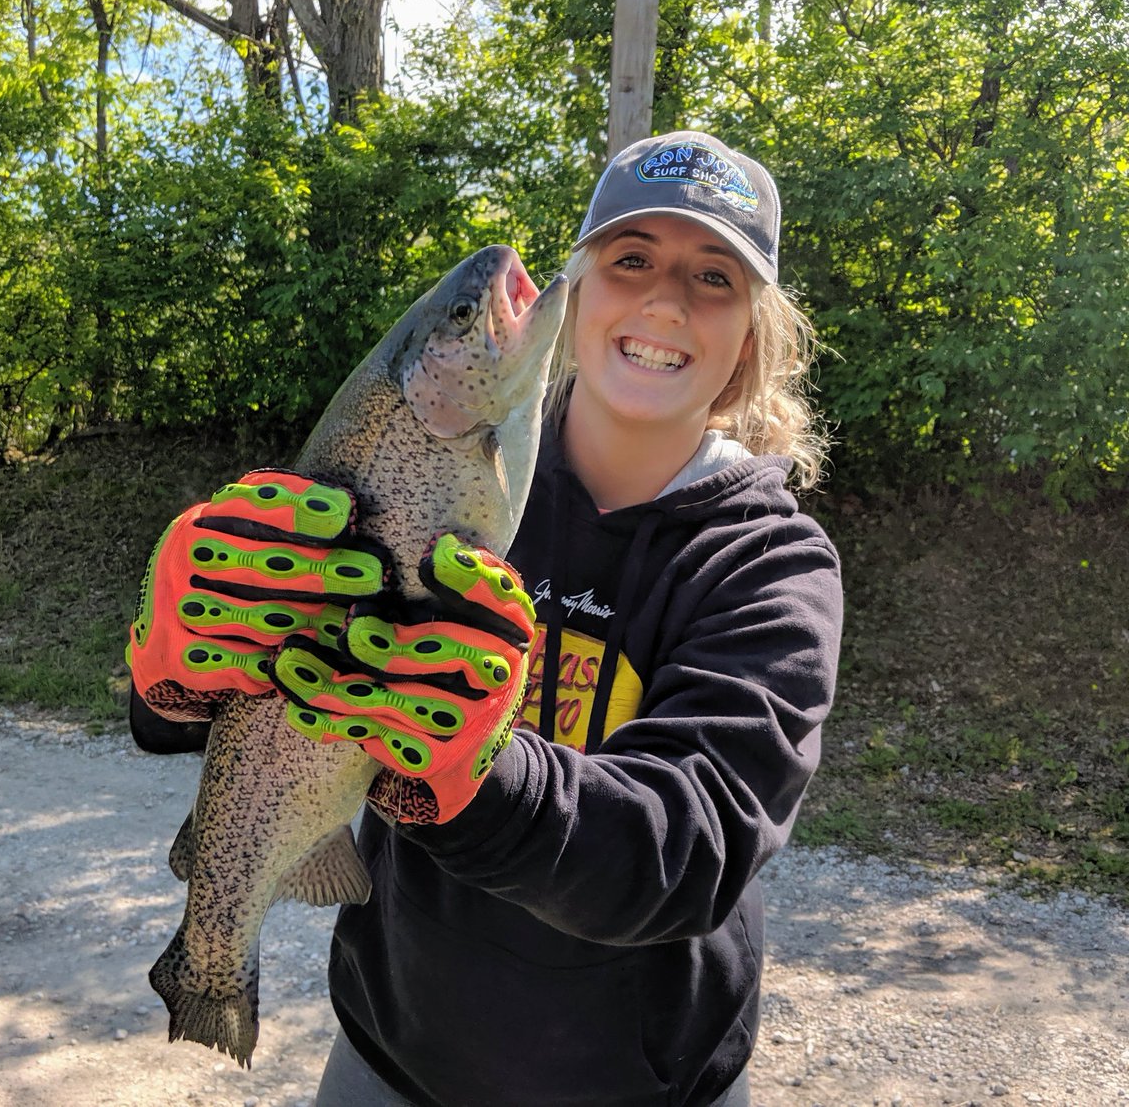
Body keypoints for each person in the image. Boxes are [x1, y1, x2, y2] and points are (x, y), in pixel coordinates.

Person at [128, 129, 843, 1107]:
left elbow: (688, 853)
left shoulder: (769, 561)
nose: (667, 298)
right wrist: (174, 687)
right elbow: (286, 687)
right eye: (631, 259)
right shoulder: (446, 473)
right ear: (577, 291)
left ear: (752, 337)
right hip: (391, 1051)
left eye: (714, 276)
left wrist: (480, 774)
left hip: (645, 1085)